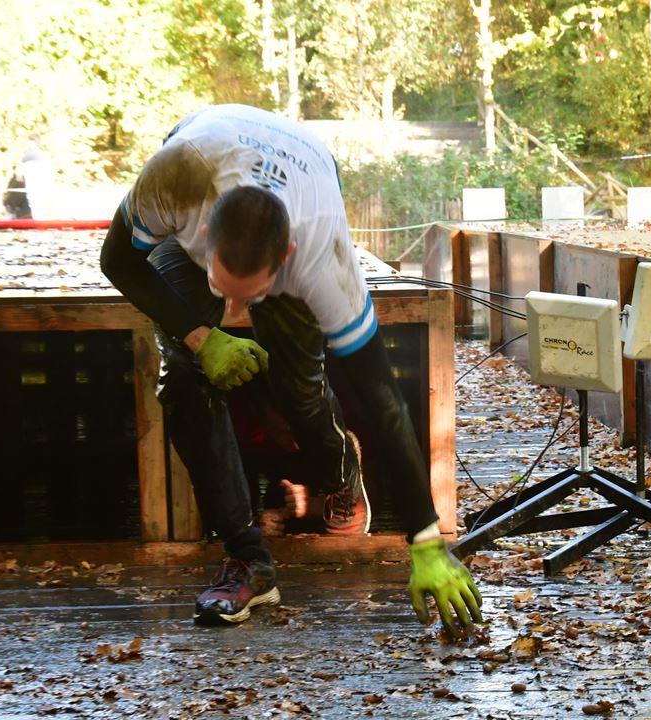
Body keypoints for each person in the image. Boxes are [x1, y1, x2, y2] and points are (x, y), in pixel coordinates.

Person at [99, 104, 481, 634]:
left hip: (307, 180)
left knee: (298, 386)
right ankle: (247, 560)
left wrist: (426, 541)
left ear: (286, 259)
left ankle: (340, 467)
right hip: (205, 159)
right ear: (204, 232)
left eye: (250, 296)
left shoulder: (322, 258)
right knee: (185, 374)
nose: (236, 312)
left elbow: (383, 399)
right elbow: (116, 260)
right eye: (223, 287)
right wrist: (201, 337)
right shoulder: (175, 180)